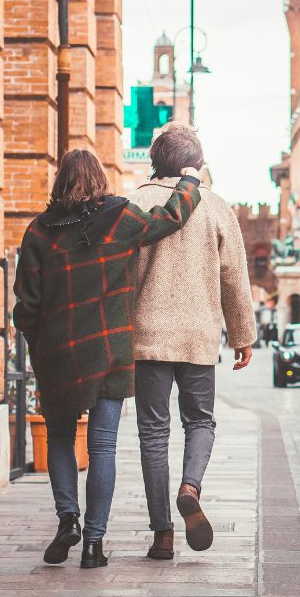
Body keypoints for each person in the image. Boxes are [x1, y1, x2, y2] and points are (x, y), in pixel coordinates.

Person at [13, 149, 202, 569]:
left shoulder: (40, 232)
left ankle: (68, 519)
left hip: (59, 353)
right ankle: (94, 544)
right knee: (102, 446)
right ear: (100, 179)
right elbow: (170, 218)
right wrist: (190, 180)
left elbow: (25, 305)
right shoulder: (120, 219)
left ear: (60, 181)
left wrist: (41, 342)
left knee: (61, 439)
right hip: (109, 350)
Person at [127, 124, 257, 561]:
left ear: (155, 160)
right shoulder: (216, 207)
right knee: (200, 422)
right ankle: (190, 486)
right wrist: (242, 335)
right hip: (199, 335)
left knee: (153, 433)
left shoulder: (133, 204)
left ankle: (162, 534)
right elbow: (234, 278)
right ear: (194, 165)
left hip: (145, 337)